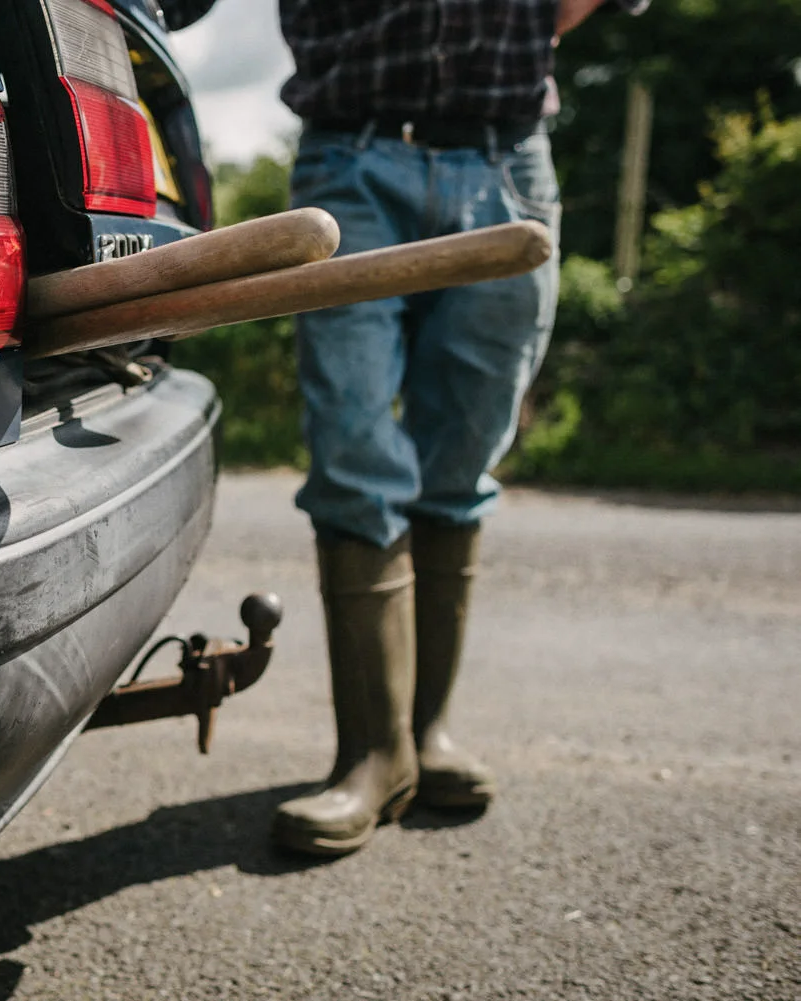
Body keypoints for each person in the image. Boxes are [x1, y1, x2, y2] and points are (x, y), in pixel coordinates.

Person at [249, 0, 652, 857]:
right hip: (347, 157)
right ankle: (370, 753)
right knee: (355, 448)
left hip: (505, 160)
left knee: (463, 454)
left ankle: (423, 735)